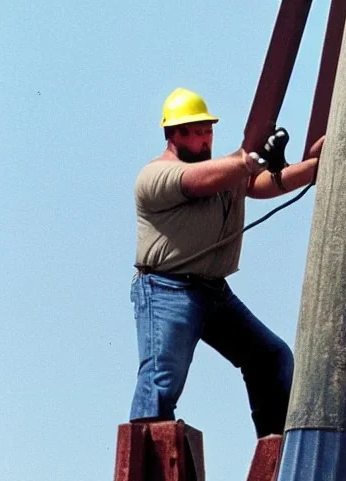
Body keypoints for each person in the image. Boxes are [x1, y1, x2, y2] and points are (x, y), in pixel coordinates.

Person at [130, 87, 324, 438]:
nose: (206, 139)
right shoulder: (157, 176)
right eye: (197, 132)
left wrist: (316, 168)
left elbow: (262, 184)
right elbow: (201, 182)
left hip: (213, 292)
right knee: (162, 379)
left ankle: (275, 451)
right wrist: (249, 160)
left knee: (271, 357)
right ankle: (146, 459)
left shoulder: (222, 172)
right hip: (167, 289)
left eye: (208, 131)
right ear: (174, 135)